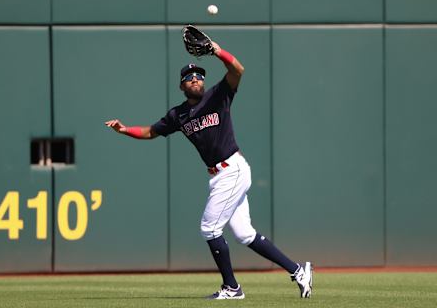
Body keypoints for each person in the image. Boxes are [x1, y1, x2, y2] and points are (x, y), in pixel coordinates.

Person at [105, 40, 313, 300]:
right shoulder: (178, 115)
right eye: (189, 77)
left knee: (209, 228)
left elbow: (238, 69)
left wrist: (216, 50)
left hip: (232, 169)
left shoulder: (218, 95)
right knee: (244, 233)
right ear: (182, 86)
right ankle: (298, 271)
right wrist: (125, 130)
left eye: (199, 76)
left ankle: (232, 288)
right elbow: (150, 132)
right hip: (219, 176)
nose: (195, 79)